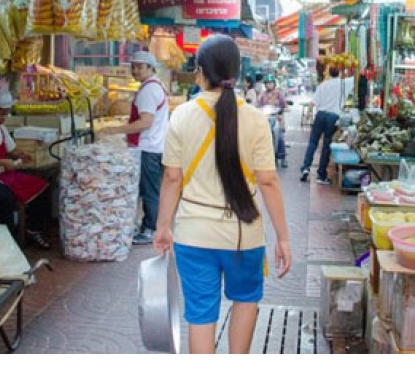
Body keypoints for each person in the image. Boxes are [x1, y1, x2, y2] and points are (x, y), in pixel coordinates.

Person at [154, 35, 291, 354]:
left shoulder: (182, 116)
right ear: (237, 72)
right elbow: (268, 182)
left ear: (200, 72)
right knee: (245, 302)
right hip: (244, 235)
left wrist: (163, 227)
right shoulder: (257, 120)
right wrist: (283, 238)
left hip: (193, 235)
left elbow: (172, 178)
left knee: (200, 314)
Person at [0, 86, 51, 249]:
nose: (4, 117)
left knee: (42, 186)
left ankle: (33, 229)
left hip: (4, 174)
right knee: (6, 198)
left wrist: (22, 155)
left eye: (6, 113)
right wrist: (1, 162)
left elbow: (11, 150)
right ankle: (8, 240)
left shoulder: (2, 129)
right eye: (1, 113)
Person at [102, 50, 169, 245]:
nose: (136, 70)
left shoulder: (149, 90)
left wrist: (115, 130)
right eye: (133, 66)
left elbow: (145, 122)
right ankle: (146, 226)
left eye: (140, 67)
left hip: (147, 147)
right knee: (148, 189)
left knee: (148, 190)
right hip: (153, 145)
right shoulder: (155, 86)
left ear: (151, 68)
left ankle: (149, 228)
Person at [299, 66, 352, 185]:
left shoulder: (323, 85)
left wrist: (307, 115)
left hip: (320, 115)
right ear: (339, 73)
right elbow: (357, 77)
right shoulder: (344, 83)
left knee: (313, 142)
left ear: (328, 73)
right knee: (326, 145)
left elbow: (313, 102)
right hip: (333, 117)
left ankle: (305, 168)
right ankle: (321, 175)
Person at [257, 76, 287, 168]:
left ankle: (283, 157)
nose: (269, 85)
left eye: (270, 83)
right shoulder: (262, 94)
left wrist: (283, 109)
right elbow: (258, 105)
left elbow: (284, 104)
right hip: (266, 118)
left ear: (274, 84)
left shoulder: (279, 93)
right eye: (267, 83)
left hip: (277, 117)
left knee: (280, 137)